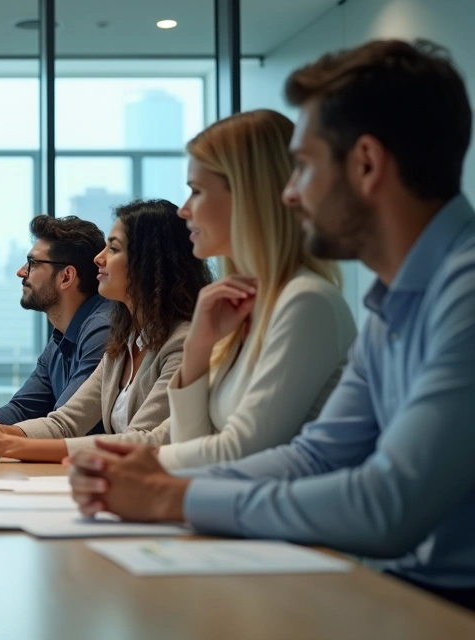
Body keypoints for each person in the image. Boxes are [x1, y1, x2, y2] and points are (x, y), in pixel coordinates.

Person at [68, 39, 475, 610]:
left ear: (365, 164)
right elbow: (317, 455)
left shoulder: (464, 292)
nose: (288, 192)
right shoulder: (394, 300)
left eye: (304, 167)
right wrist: (161, 485)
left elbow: (389, 507)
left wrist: (171, 498)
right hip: (408, 589)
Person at [156, 110, 357, 469]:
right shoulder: (249, 305)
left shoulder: (306, 302)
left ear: (248, 195)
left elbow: (241, 454)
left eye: (197, 191)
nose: (184, 211)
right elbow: (195, 449)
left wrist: (142, 462)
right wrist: (198, 347)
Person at [0, 199, 211, 462]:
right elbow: (65, 423)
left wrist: (5, 445)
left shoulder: (181, 343)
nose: (99, 257)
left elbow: (141, 439)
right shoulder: (124, 341)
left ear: (150, 263)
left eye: (113, 248)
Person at [0, 215, 112, 427]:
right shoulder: (60, 338)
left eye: (32, 263)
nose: (21, 272)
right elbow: (21, 410)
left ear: (66, 277)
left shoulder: (102, 329)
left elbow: (63, 425)